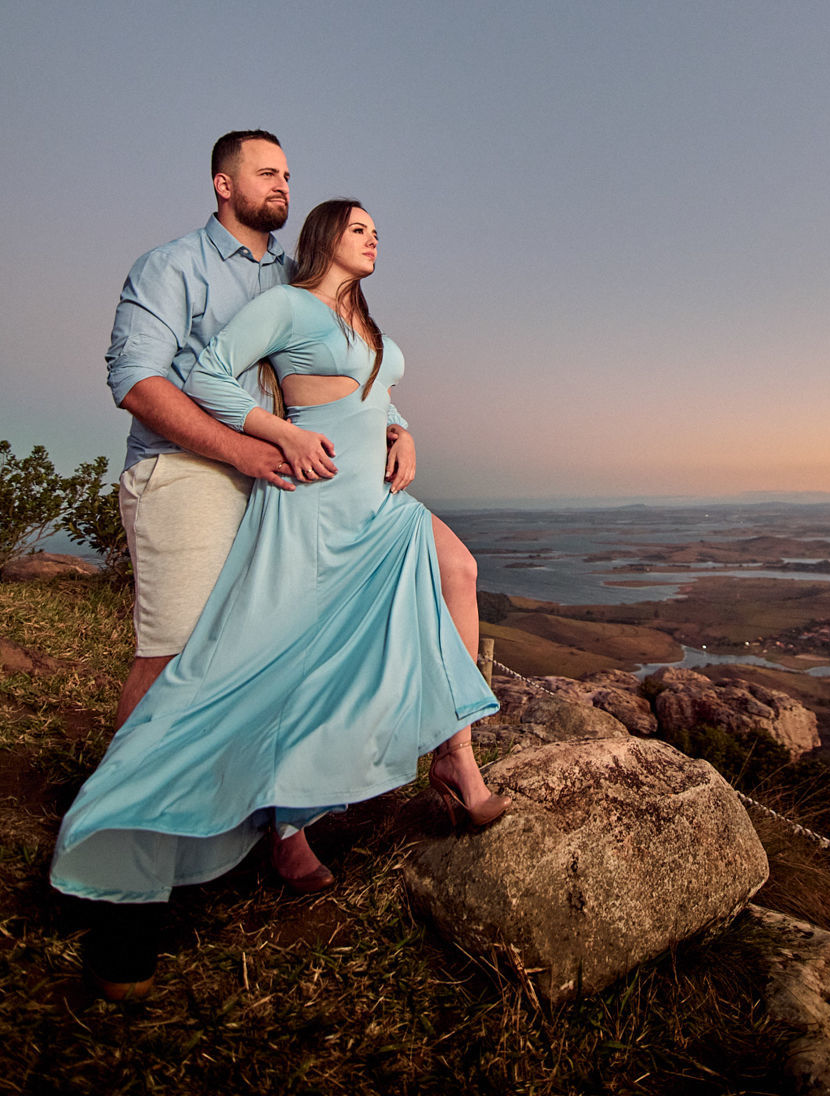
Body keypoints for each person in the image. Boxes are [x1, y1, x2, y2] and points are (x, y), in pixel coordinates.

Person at [52, 198, 507, 996]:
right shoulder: (288, 304)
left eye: (377, 229)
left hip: (376, 507)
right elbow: (205, 374)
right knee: (241, 672)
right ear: (326, 237)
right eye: (359, 227)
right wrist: (280, 434)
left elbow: (372, 395)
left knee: (457, 572)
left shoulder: (362, 320)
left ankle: (455, 755)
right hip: (313, 512)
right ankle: (130, 849)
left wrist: (403, 431)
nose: (374, 236)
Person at [105, 130, 486, 893]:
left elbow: (355, 384)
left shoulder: (295, 279)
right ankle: (128, 840)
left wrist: (400, 430)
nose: (283, 183)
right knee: (183, 652)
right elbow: (140, 381)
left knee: (323, 632)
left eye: (287, 173)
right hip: (193, 467)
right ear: (223, 183)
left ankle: (300, 817)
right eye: (266, 172)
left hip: (303, 480)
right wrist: (254, 445)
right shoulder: (174, 267)